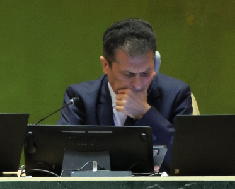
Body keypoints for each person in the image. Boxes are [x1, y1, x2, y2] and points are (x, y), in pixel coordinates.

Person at [57, 18, 193, 170]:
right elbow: (63, 158)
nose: (138, 84)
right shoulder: (79, 98)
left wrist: (145, 113)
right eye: (128, 74)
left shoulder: (176, 94)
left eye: (146, 73)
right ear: (106, 65)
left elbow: (187, 158)